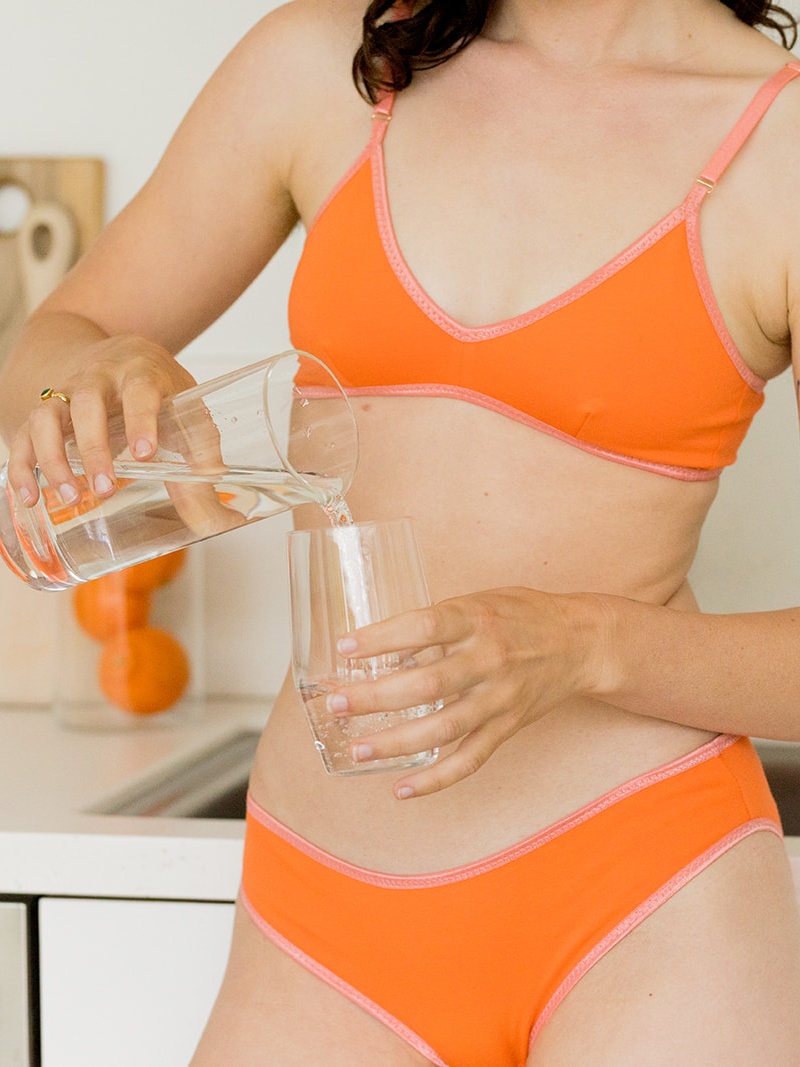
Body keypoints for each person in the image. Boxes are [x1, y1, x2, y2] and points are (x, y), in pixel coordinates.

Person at [2, 0, 800, 1062]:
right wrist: (88, 371)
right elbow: (50, 344)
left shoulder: (776, 149)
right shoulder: (331, 68)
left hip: (642, 890)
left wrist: (583, 644)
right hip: (315, 903)